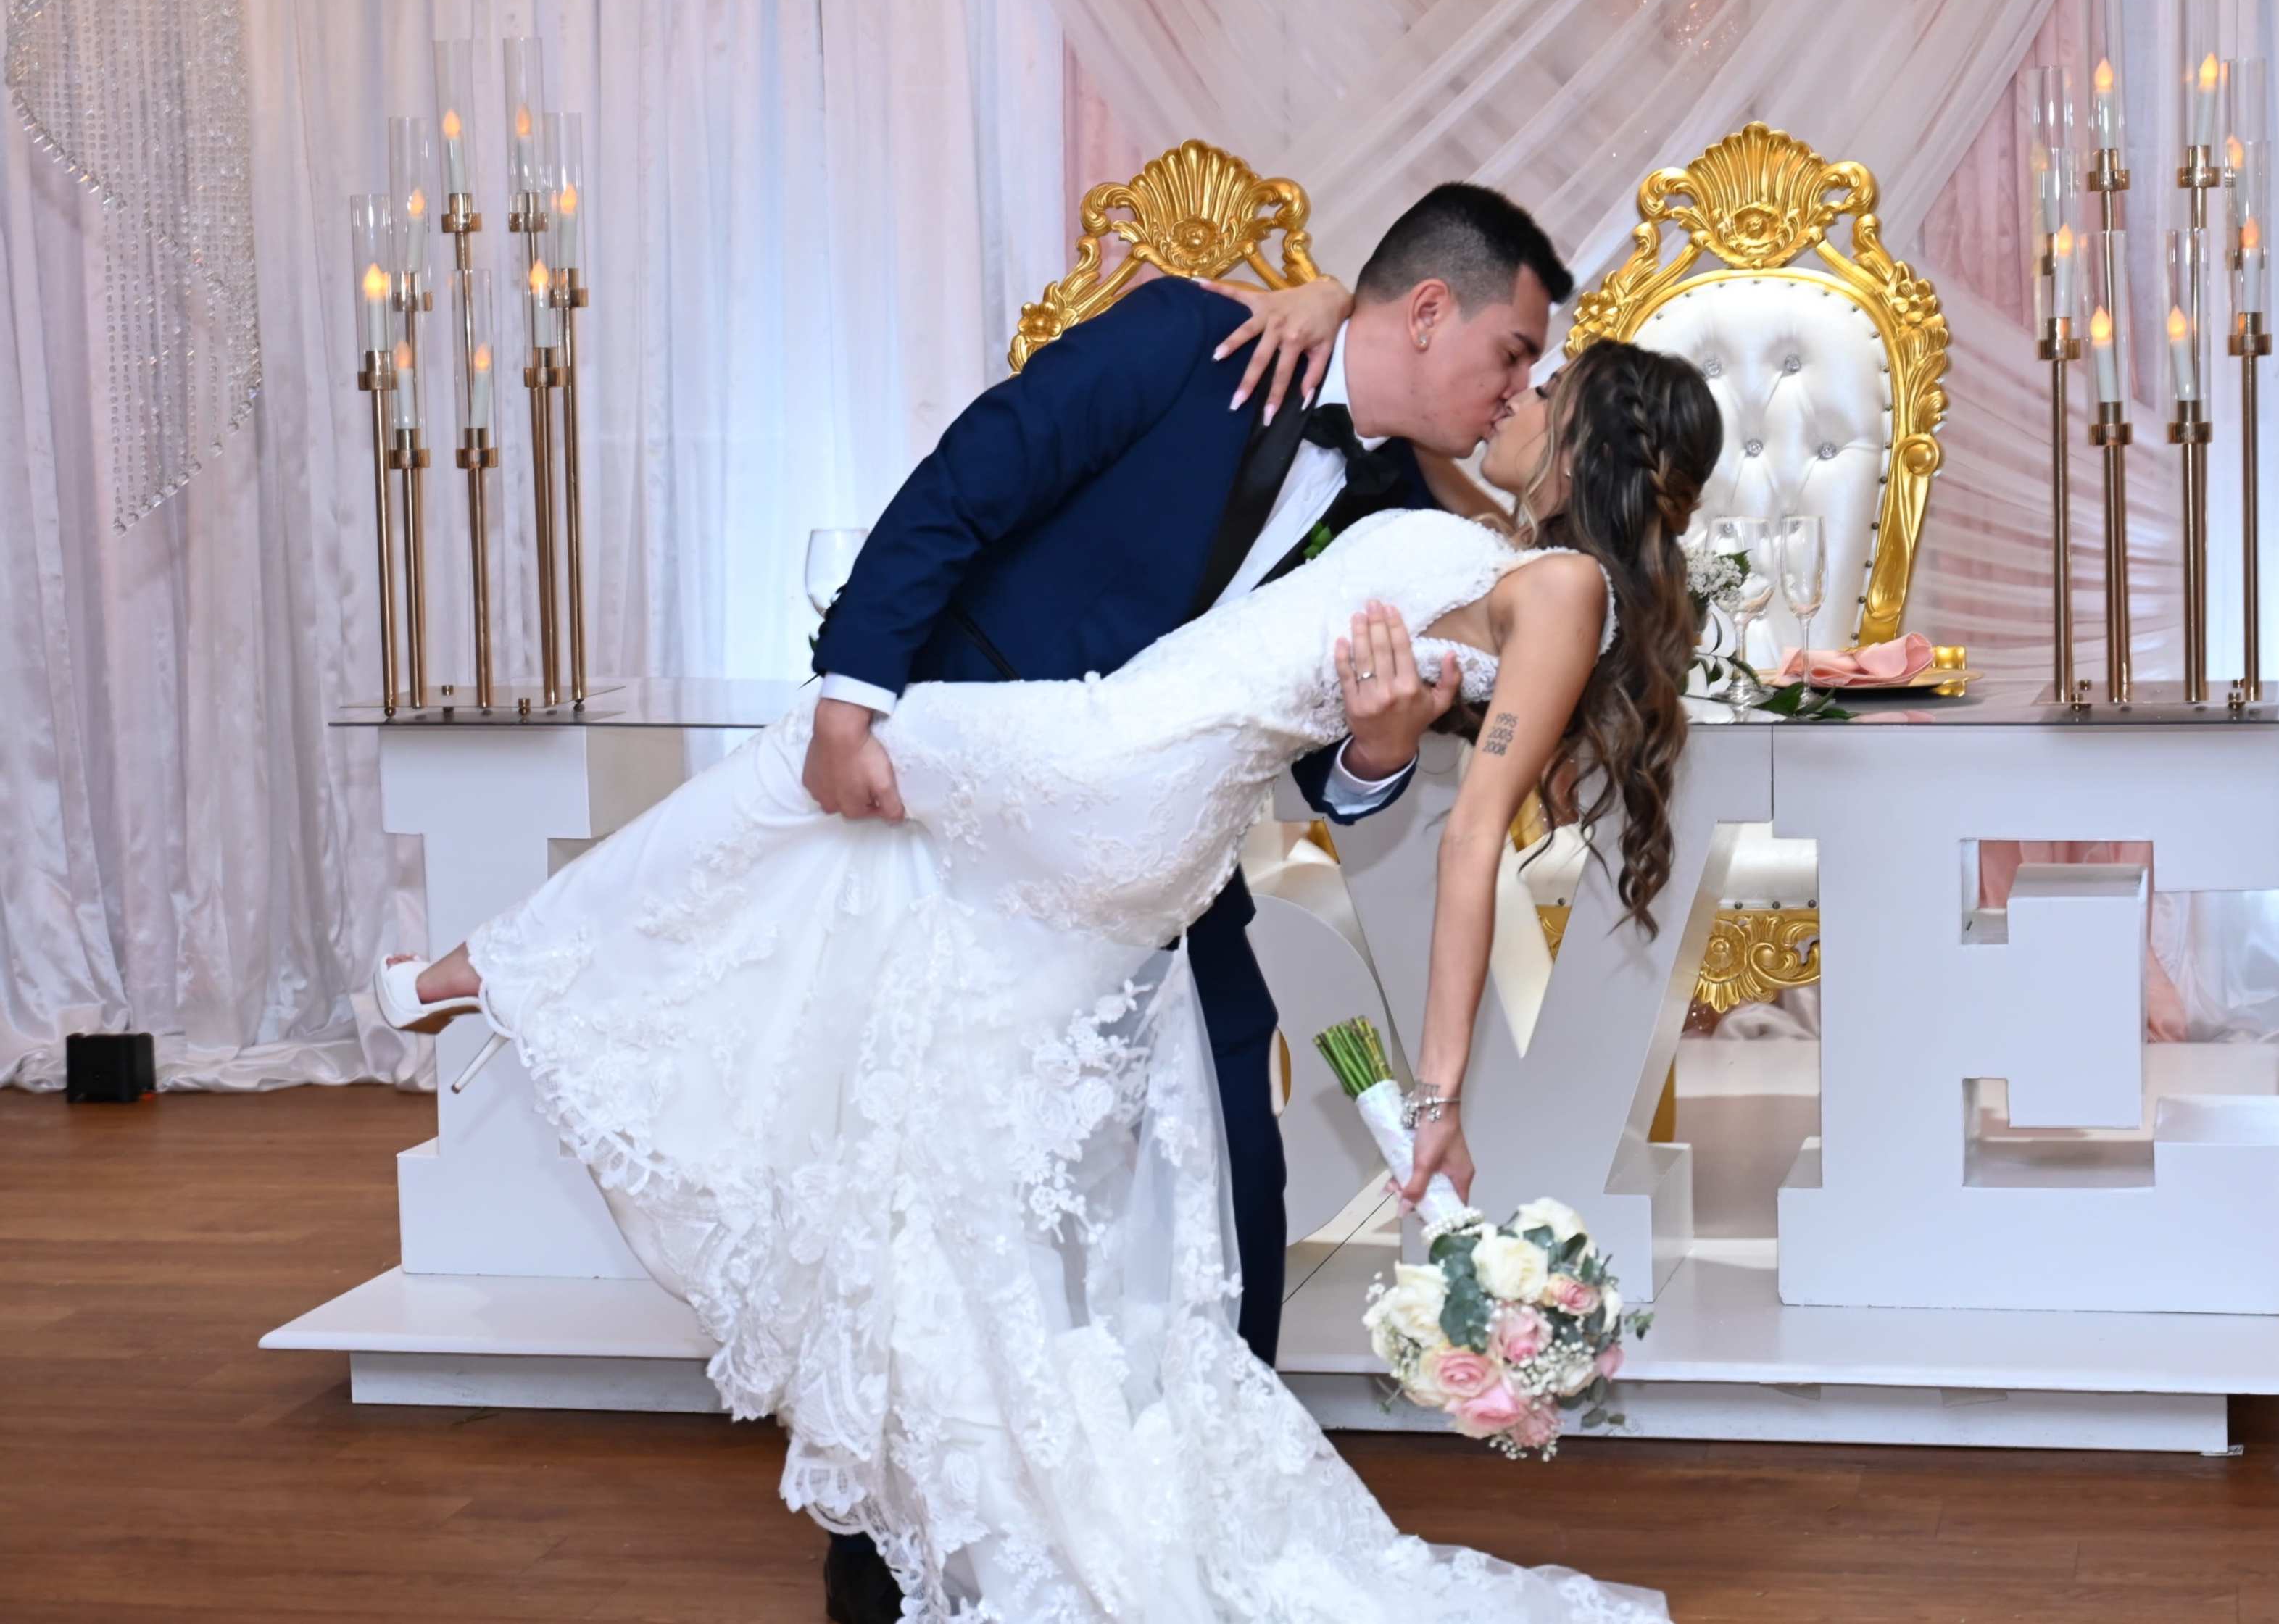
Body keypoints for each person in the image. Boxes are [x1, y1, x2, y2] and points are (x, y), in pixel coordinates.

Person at [372, 207, 1724, 1617]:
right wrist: (859, 690)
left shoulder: (1413, 505)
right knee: (936, 1167)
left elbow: (1350, 756)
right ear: (1431, 313)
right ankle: (924, 1555)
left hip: (1128, 822)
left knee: (1220, 1205)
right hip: (1038, 815)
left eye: (1544, 381)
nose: (1519, 388)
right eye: (1516, 355)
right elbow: (970, 483)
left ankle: (1169, 1526)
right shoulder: (1190, 346)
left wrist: (1382, 748)